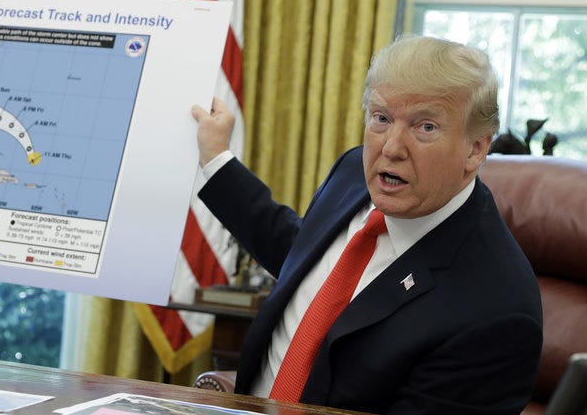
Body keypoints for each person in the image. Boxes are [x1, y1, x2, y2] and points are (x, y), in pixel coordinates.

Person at [191, 36, 543, 414]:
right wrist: (217, 160)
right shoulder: (352, 173)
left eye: (425, 127)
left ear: (476, 148)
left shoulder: (497, 311)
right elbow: (302, 256)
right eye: (381, 118)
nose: (391, 147)